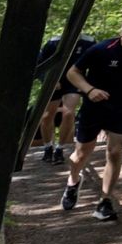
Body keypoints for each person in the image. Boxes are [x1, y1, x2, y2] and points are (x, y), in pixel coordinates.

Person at [60, 18, 122, 221]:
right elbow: (73, 72)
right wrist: (90, 90)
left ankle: (105, 200)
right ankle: (73, 182)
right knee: (81, 154)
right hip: (94, 105)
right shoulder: (102, 49)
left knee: (115, 151)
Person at [36, 34, 96, 165]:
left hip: (74, 82)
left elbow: (95, 65)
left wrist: (88, 85)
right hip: (54, 81)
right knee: (47, 116)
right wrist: (47, 80)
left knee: (69, 113)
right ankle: (47, 147)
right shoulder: (54, 43)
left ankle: (60, 149)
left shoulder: (89, 42)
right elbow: (40, 64)